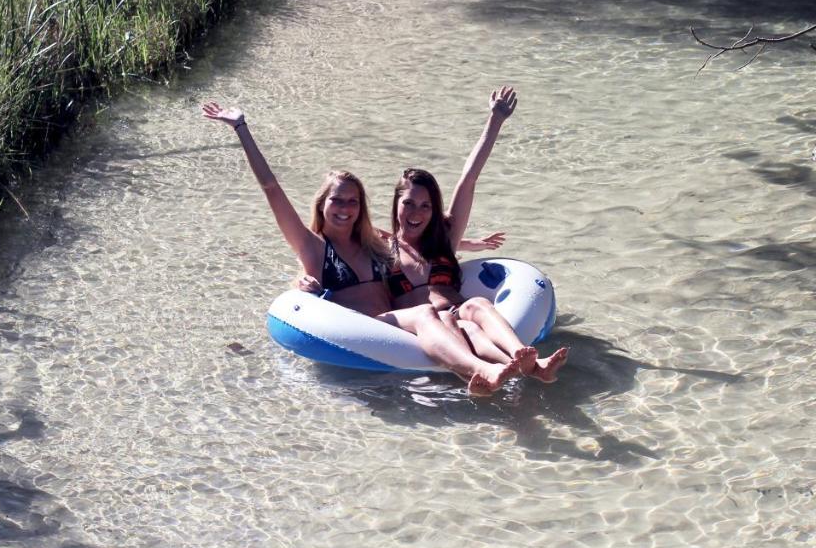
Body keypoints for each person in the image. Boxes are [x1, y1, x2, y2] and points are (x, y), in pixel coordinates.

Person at [202, 101, 522, 395]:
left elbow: (416, 241)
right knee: (427, 312)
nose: (344, 207)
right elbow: (271, 187)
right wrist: (241, 128)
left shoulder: (373, 246)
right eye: (336, 200)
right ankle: (480, 370)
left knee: (445, 316)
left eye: (352, 201)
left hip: (400, 327)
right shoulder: (313, 246)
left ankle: (499, 369)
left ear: (361, 207)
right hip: (362, 335)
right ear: (321, 204)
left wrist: (465, 243)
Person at [385, 87, 568, 382]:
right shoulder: (382, 248)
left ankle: (527, 360)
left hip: (458, 310)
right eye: (408, 203)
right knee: (460, 325)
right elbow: (332, 246)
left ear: (434, 211)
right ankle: (527, 370)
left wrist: (495, 119)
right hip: (422, 327)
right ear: (396, 205)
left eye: (425, 206)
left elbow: (468, 179)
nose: (416, 213)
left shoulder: (443, 239)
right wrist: (306, 280)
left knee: (477, 306)